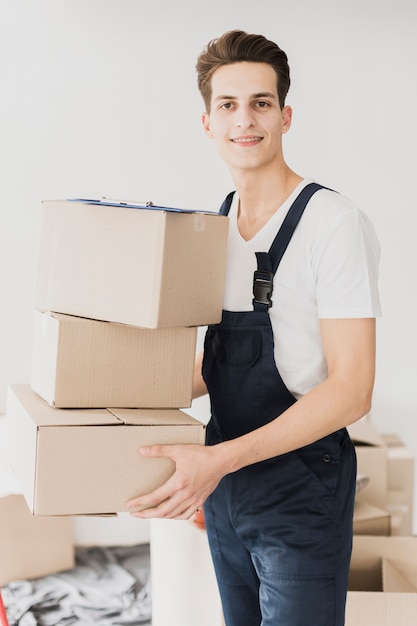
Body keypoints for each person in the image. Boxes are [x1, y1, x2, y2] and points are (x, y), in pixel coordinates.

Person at [127, 29, 381, 625]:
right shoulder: (214, 227)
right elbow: (215, 364)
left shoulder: (332, 223)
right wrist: (111, 394)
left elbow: (353, 388)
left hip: (300, 486)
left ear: (286, 116)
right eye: (228, 105)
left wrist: (221, 461)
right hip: (226, 485)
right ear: (207, 122)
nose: (246, 120)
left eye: (261, 103)